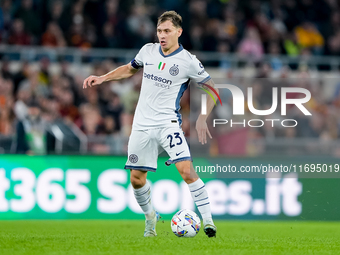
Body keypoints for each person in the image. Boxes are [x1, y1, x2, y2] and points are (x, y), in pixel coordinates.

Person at [83, 11, 218, 238]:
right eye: (159, 31)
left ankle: (208, 222)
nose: (162, 35)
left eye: (166, 31)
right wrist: (103, 77)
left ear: (178, 32)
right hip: (142, 125)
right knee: (136, 178)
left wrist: (203, 117)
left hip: (168, 124)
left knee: (186, 171)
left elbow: (213, 89)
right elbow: (129, 68)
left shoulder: (188, 61)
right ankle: (150, 219)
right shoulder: (148, 50)